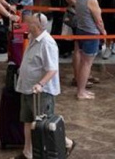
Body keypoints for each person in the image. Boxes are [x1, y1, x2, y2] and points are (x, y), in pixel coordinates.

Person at [14, 12, 75, 159]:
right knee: (27, 121)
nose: (28, 26)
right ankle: (27, 153)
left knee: (45, 124)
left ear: (40, 26)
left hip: (42, 92)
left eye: (31, 24)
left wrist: (40, 84)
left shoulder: (47, 43)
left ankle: (67, 143)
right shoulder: (32, 38)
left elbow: (52, 69)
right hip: (27, 89)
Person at [72, 0, 106, 100]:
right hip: (91, 33)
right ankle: (81, 91)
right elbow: (99, 21)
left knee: (83, 62)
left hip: (81, 31)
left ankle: (81, 89)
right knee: (87, 64)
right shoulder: (91, 0)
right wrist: (103, 32)